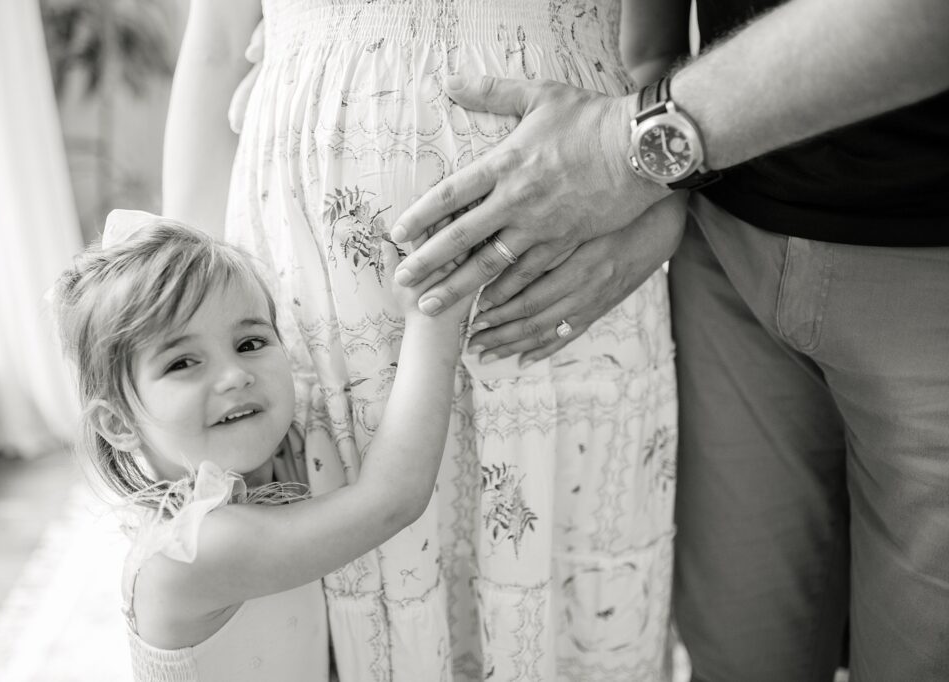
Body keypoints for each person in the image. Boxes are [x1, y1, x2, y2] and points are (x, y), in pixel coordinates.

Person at [388, 0, 949, 680]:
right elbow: (649, 42)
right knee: (739, 654)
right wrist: (662, 182)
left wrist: (627, 152)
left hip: (927, 267)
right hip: (724, 253)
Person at [163, 1, 684, 679]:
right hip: (319, 276)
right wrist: (179, 328)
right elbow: (214, 47)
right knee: (339, 554)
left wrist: (669, 203)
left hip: (583, 224)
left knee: (569, 565)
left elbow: (676, 44)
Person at [50, 213, 472, 681]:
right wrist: (434, 313)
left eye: (250, 343)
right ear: (119, 422)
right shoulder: (198, 552)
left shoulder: (257, 479)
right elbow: (392, 500)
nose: (235, 375)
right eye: (183, 362)